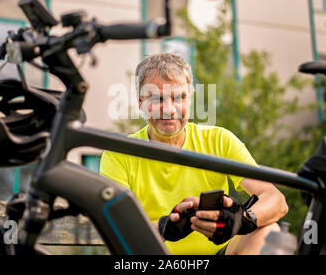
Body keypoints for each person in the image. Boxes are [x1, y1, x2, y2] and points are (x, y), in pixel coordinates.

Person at [100, 52, 288, 255]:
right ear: (140, 103)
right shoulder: (118, 154)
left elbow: (276, 200)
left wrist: (241, 220)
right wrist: (163, 228)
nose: (169, 110)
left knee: (268, 231)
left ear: (189, 99)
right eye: (156, 98)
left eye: (178, 97)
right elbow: (115, 228)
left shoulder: (219, 140)